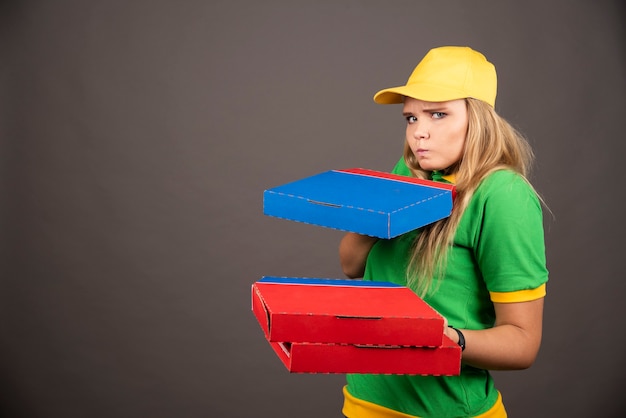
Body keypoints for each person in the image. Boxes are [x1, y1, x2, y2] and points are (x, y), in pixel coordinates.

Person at [339, 46, 549, 417]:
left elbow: (523, 343)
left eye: (438, 114)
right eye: (411, 118)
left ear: (479, 118)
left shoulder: (502, 195)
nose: (420, 133)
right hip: (363, 404)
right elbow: (351, 265)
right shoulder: (407, 173)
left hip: (446, 411)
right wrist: (385, 206)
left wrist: (450, 338)